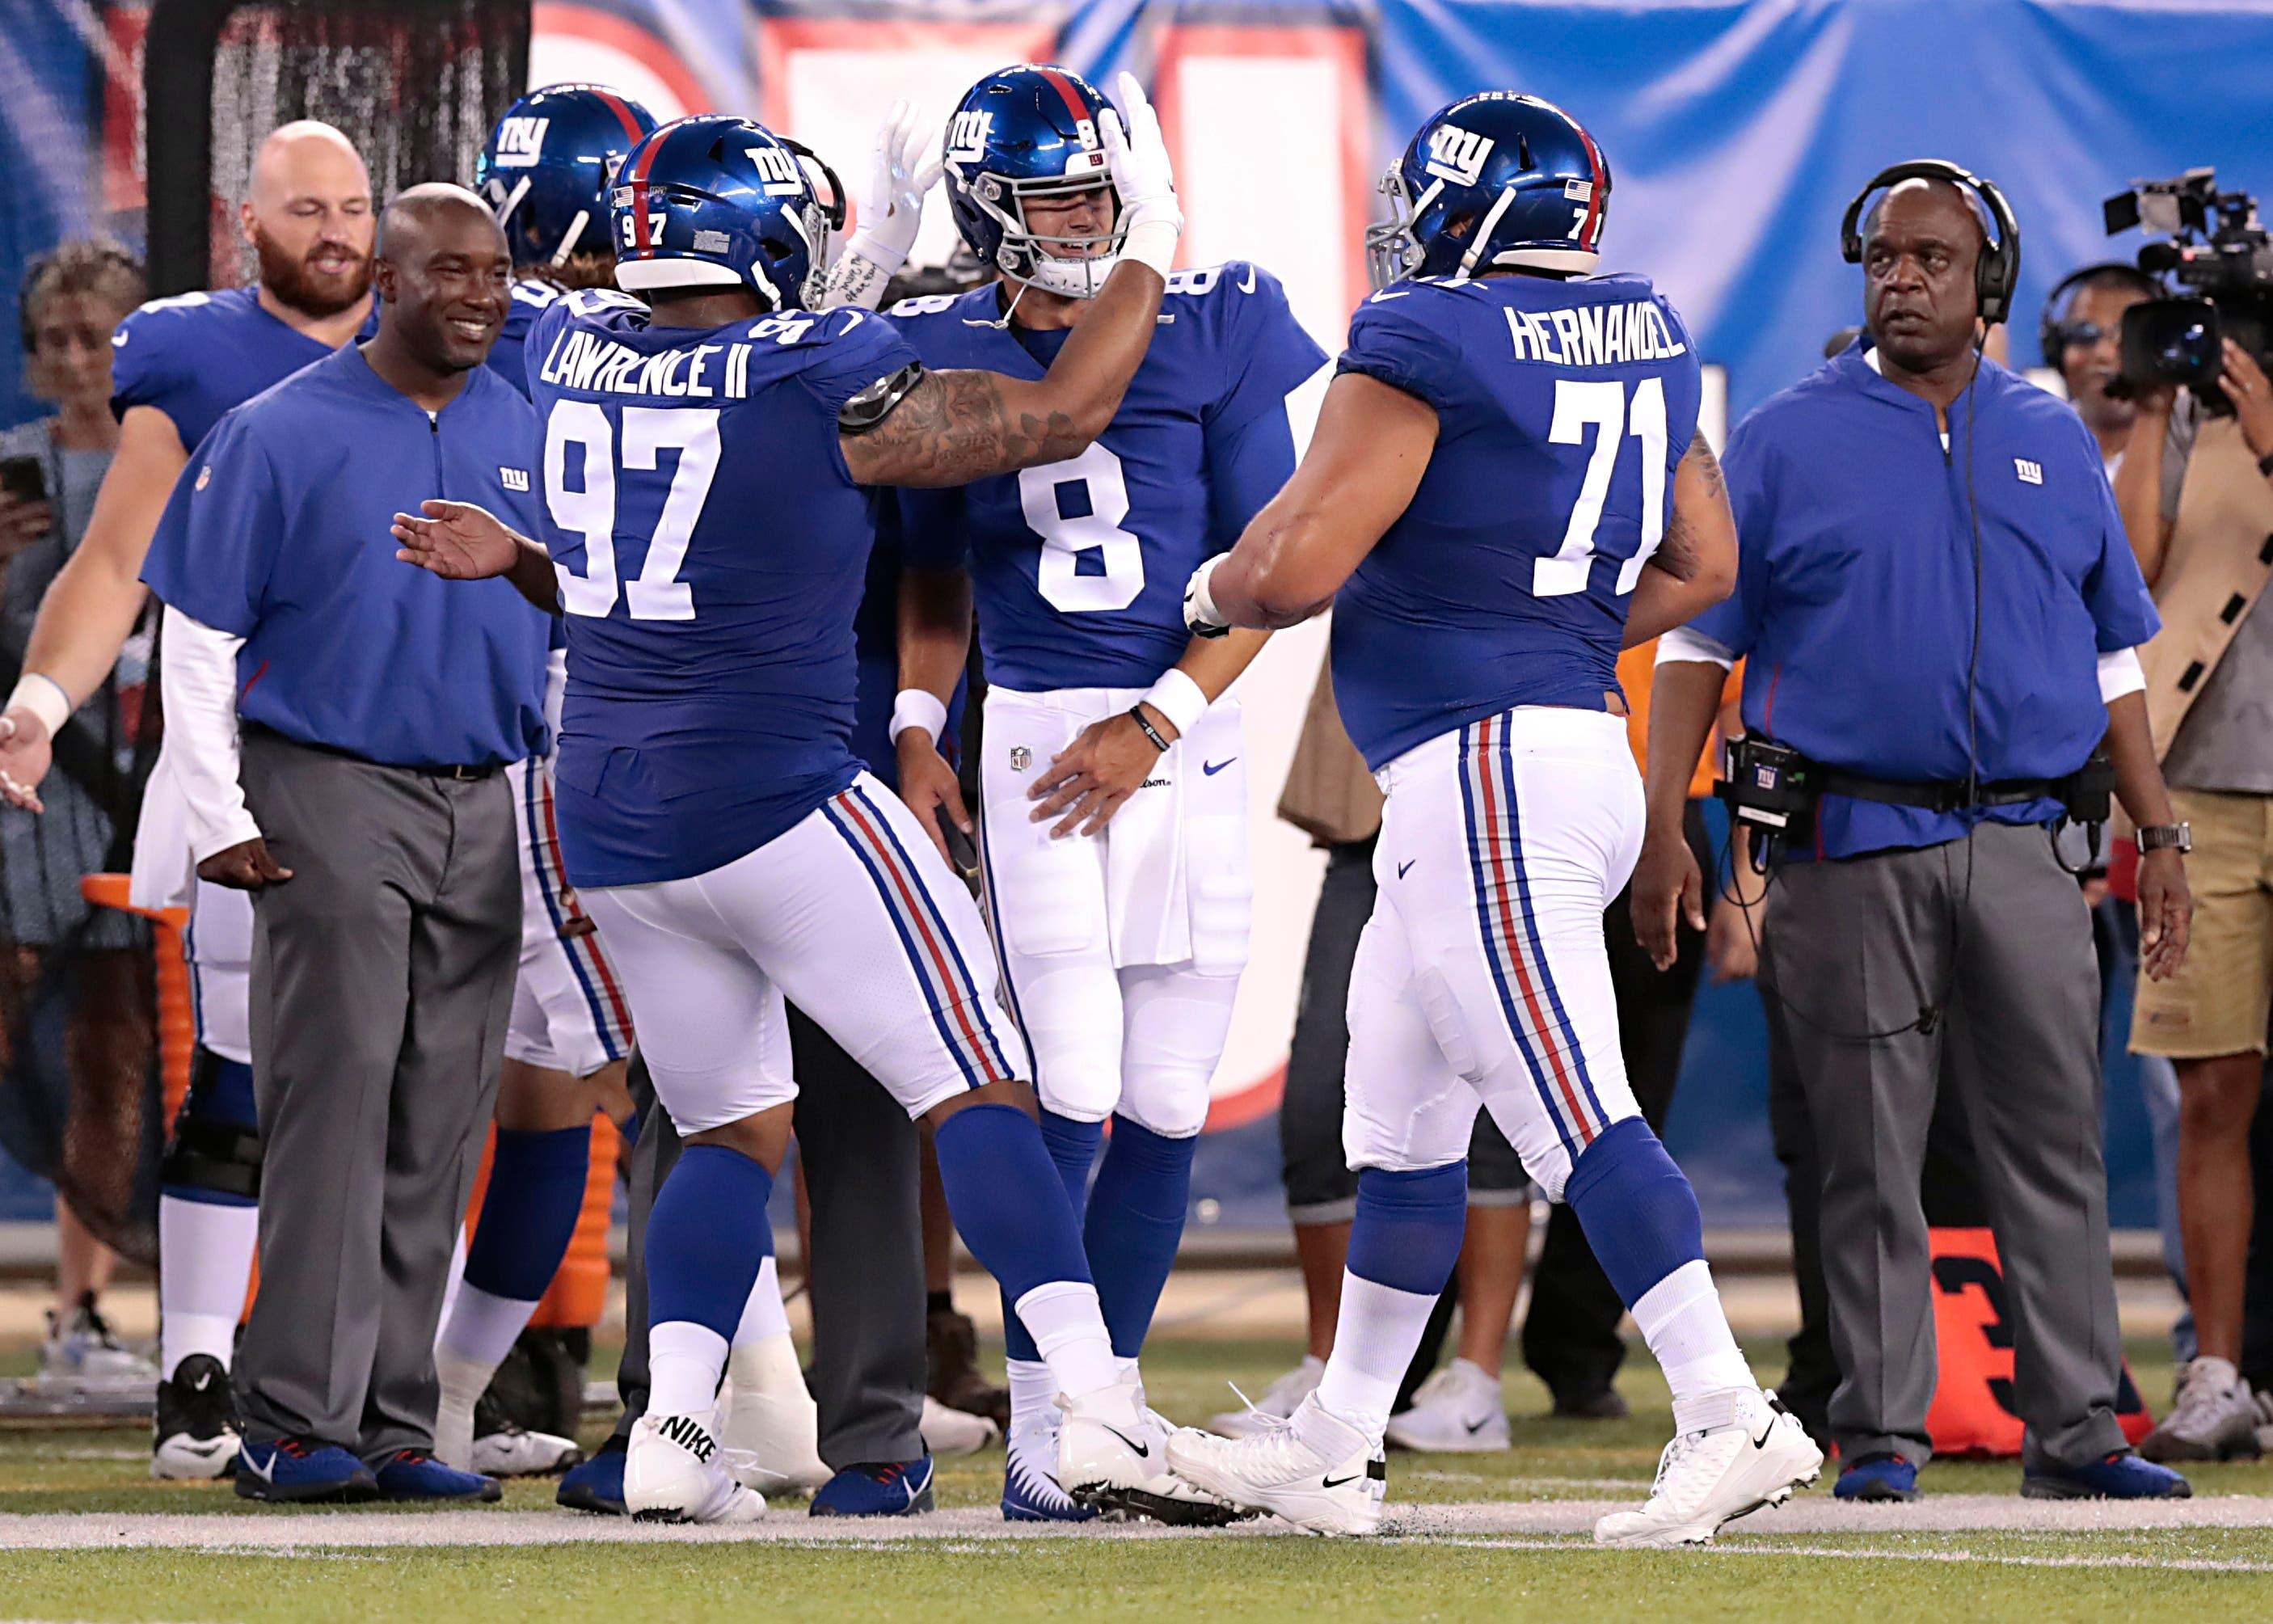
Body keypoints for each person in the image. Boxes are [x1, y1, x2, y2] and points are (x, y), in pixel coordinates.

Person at [392, 92, 1216, 1525]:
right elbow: (1066, 411)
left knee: (725, 1128)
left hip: (618, 815)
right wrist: (1145, 240)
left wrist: (522, 553)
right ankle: (1096, 1410)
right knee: (976, 1080)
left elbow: (637, 541)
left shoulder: (572, 348)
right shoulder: (813, 365)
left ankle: (668, 1437)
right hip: (776, 793)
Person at [1167, 91, 1817, 1545]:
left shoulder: (1422, 333)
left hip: (1484, 772)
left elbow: (1292, 567)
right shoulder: (1648, 327)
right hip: (1532, 745)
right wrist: (1563, 620)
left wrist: (1204, 591)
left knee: (1571, 1105)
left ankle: (1729, 1408)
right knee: (1398, 1125)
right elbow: (1701, 557)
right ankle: (1336, 1440)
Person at [1645, 164, 2192, 1504]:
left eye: (1932, 259)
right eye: (1884, 258)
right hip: (1847, 839)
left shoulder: (2051, 434)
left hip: (2026, 843)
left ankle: (2076, 1427)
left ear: (1984, 282)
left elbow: (2115, 652)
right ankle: (1878, 1428)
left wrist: (2159, 824)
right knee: (1866, 1141)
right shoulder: (1780, 437)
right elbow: (1697, 648)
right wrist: (1667, 819)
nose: (1902, 279)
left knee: (2053, 1139)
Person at [887, 61, 1326, 1519]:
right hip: (1035, 741)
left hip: (1179, 727)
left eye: (1094, 189)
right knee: (1063, 1081)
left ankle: (1112, 1407)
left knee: (1161, 1099)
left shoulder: (1218, 324)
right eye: (1050, 198)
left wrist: (1162, 712)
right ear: (986, 213)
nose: (1081, 217)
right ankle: (1041, 1427)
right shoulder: (946, 342)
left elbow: (1270, 569)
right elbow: (937, 572)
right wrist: (916, 718)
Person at [139, 183, 549, 1504]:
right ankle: (289, 1416)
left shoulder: (537, 422)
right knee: (340, 1092)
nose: (481, 293)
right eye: (450, 272)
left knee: (441, 1111)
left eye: (495, 271)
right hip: (324, 777)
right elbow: (195, 631)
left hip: (486, 790)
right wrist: (219, 815)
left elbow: (588, 616)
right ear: (384, 275)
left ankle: (392, 1420)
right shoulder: (277, 430)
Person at [0, 120, 374, 1480]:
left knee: (439, 1086)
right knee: (238, 1076)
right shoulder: (197, 352)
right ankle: (199, 1371)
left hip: (446, 753)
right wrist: (42, 702)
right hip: (263, 756)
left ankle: (419, 1378)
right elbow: (112, 563)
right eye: (305, 208)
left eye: (352, 205)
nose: (335, 230)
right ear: (245, 222)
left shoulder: (448, 332)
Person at [428, 79, 656, 1484]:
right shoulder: (612, 344)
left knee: (550, 1084)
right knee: (631, 1077)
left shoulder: (459, 339)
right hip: (578, 732)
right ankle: (728, 1392)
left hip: (498, 730)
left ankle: (447, 1391)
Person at [1228, 663, 1535, 1451]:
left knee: (1490, 1092)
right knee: (1317, 1103)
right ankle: (1329, 1361)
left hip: (1491, 790)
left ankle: (1475, 1381)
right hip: (1373, 797)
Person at [2111, 294, 2273, 1461]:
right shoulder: (2190, 416)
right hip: (2205, 791)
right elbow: (2127, 575)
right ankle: (2216, 1370)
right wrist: (2157, 405)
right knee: (2211, 1096)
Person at [0, 242, 156, 1390]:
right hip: (26, 801)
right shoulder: (8, 472)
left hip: (147, 801)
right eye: (54, 339)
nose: (74, 359)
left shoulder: (182, 463)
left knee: (112, 1054)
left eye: (94, 336)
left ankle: (83, 1313)